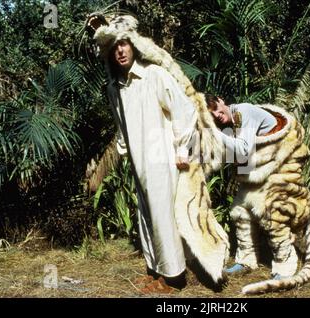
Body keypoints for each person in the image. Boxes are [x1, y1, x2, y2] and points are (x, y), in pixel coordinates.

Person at [89, 15, 229, 291]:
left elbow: (184, 111)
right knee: (146, 214)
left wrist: (181, 149)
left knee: (163, 215)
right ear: (108, 51)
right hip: (139, 160)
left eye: (125, 44)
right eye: (115, 46)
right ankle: (156, 271)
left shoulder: (154, 75)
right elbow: (121, 124)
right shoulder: (114, 88)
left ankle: (174, 277)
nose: (120, 51)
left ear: (134, 46)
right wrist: (124, 151)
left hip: (162, 158)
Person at [205, 94, 310, 290]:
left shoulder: (243, 112)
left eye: (215, 107)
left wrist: (214, 133)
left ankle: (285, 265)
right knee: (240, 210)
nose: (216, 114)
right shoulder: (229, 126)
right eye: (210, 114)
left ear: (222, 100)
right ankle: (246, 260)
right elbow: (235, 159)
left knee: (271, 213)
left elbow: (244, 150)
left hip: (279, 172)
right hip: (258, 175)